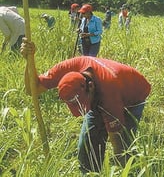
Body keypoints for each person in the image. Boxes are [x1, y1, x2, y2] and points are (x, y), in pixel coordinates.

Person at [20, 39, 151, 174]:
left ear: (90, 86)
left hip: (134, 94)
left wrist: (120, 171)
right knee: (87, 144)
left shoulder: (109, 93)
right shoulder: (66, 69)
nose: (84, 111)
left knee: (124, 146)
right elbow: (32, 89)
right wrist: (29, 60)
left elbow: (116, 142)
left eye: (83, 105)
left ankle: (132, 172)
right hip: (105, 91)